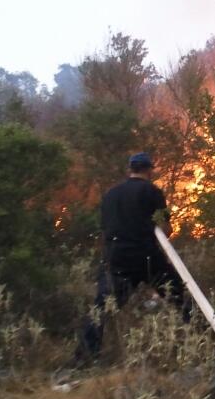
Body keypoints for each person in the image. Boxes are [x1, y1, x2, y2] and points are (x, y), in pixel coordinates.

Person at [78, 152, 188, 360]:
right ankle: (210, 345)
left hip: (115, 257)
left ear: (130, 169)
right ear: (149, 170)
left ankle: (85, 357)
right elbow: (165, 228)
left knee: (100, 309)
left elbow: (105, 228)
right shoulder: (152, 191)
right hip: (145, 256)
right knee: (178, 297)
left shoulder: (110, 195)